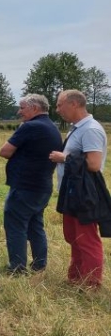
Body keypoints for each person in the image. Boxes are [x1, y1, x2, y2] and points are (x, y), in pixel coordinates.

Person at [49, 90, 108, 289]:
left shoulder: (90, 129)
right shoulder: (77, 128)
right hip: (73, 190)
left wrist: (63, 158)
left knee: (86, 238)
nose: (57, 110)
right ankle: (75, 278)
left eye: (59, 105)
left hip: (85, 191)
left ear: (74, 104)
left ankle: (91, 284)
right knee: (73, 236)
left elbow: (93, 163)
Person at [0, 94, 62, 274]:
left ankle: (17, 268)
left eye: (22, 107)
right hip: (42, 185)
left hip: (25, 186)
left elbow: (4, 151)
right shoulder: (52, 127)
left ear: (34, 108)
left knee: (15, 226)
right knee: (35, 225)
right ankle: (39, 265)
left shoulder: (31, 126)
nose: (19, 112)